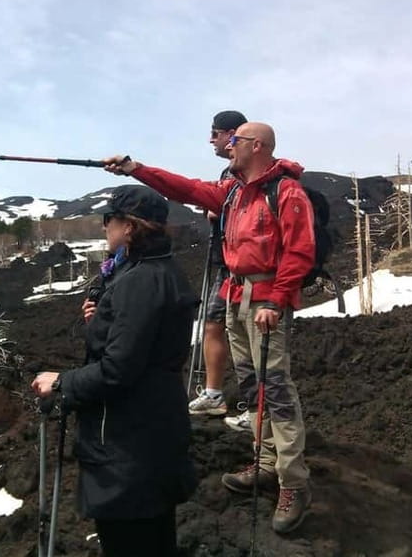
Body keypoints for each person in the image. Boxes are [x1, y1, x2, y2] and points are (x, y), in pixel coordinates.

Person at [103, 122, 313, 534]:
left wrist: (275, 299)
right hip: (237, 297)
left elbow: (300, 250)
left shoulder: (287, 192)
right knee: (253, 386)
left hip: (264, 299)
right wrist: (135, 168)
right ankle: (267, 462)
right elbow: (184, 188)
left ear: (256, 146)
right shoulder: (232, 190)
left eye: (234, 141)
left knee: (277, 389)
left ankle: (294, 483)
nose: (227, 147)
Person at [31, 185, 198, 556]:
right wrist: (100, 321)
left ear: (129, 227)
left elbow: (118, 369)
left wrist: (61, 382)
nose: (105, 227)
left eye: (110, 220)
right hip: (153, 431)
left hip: (129, 446)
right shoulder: (155, 270)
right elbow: (139, 345)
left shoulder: (139, 281)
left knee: (131, 541)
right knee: (156, 538)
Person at [188, 110, 257, 436]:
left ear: (232, 134)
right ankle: (225, 397)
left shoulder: (239, 174)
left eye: (215, 133)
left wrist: (216, 213)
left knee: (239, 333)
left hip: (237, 269)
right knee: (218, 325)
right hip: (229, 266)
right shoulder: (235, 173)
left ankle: (254, 408)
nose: (210, 139)